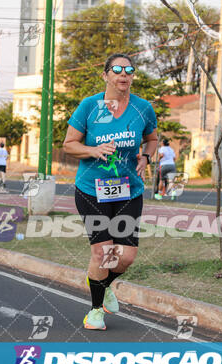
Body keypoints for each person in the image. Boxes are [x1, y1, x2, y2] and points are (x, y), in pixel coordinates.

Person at [63, 53, 158, 330]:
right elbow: (69, 144)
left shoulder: (143, 108)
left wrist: (146, 157)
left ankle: (102, 286)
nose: (123, 75)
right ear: (105, 75)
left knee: (125, 256)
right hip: (91, 190)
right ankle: (95, 311)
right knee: (102, 253)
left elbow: (152, 139)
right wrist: (92, 150)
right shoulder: (89, 106)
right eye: (117, 70)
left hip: (129, 190)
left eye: (129, 70)